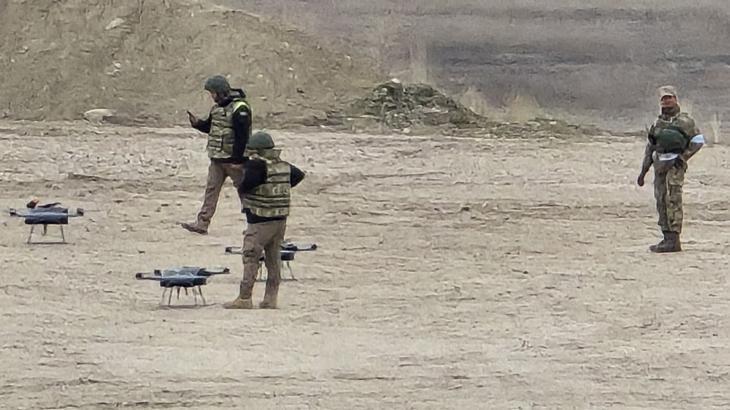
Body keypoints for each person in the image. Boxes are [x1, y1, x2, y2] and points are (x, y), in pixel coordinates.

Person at [224, 131, 305, 309]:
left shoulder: (257, 166)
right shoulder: (283, 166)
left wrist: (241, 174)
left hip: (260, 220)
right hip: (280, 220)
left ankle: (244, 298)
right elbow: (298, 175)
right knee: (274, 259)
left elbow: (246, 185)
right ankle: (270, 298)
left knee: (251, 256)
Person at [180, 75, 252, 234]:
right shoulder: (217, 109)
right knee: (211, 191)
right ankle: (202, 223)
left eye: (213, 93)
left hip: (234, 161)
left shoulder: (240, 108)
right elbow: (211, 128)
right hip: (217, 159)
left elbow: (242, 136)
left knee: (246, 193)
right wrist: (197, 124)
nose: (212, 96)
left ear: (221, 92)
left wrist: (238, 160)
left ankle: (254, 225)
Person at [637, 85, 705, 252]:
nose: (666, 101)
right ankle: (666, 237)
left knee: (672, 199)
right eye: (663, 99)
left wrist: (683, 157)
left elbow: (698, 141)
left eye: (669, 98)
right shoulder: (658, 123)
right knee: (661, 199)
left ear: (675, 99)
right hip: (660, 166)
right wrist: (643, 172)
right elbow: (650, 147)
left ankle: (674, 239)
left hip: (675, 166)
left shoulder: (685, 121)